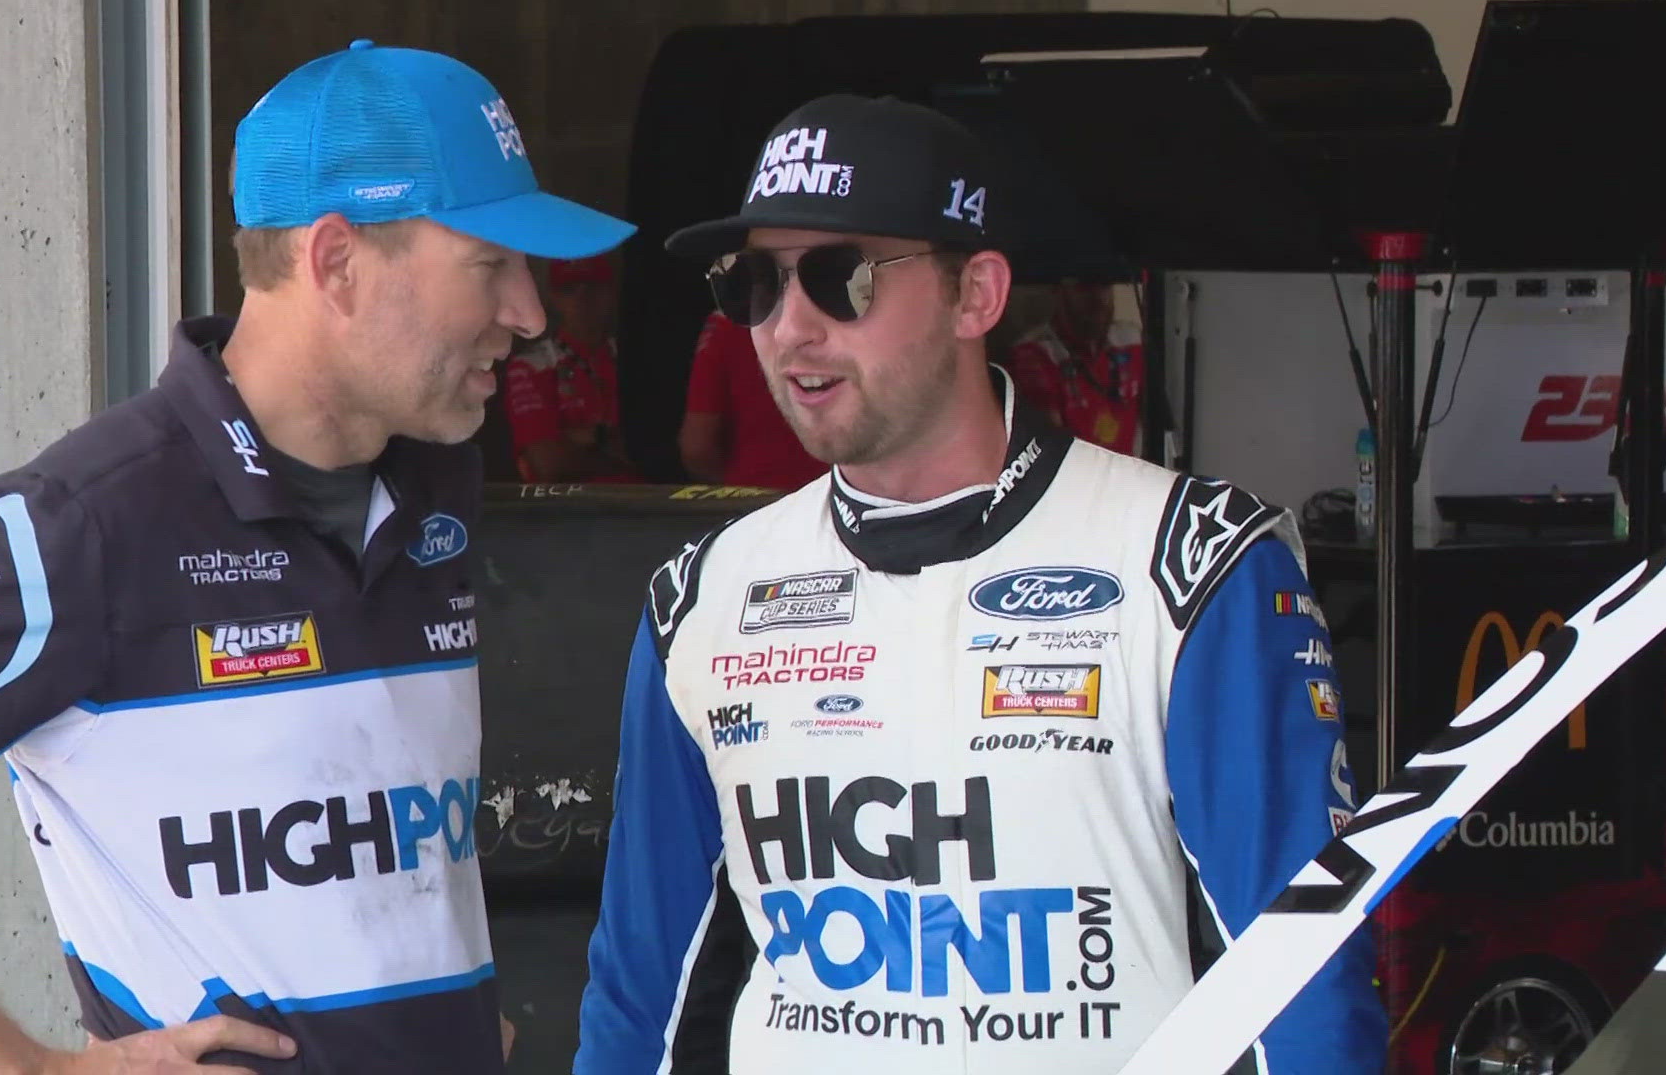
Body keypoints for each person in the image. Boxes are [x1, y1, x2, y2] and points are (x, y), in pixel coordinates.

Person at [573, 94, 1385, 1074]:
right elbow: (643, 1001)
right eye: (756, 283)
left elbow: (1301, 978)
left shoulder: (1191, 563)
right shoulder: (700, 602)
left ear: (978, 296)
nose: (790, 329)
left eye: (841, 277)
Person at [0, 38, 633, 1074]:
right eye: (489, 265)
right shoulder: (89, 520)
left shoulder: (432, 479)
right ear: (335, 261)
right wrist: (27, 1068)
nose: (530, 316)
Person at [502, 253, 640, 482]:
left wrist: (582, 439)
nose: (582, 298)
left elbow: (659, 451)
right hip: (569, 511)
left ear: (612, 292)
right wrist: (608, 440)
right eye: (569, 288)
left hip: (644, 505)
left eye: (593, 286)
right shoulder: (532, 365)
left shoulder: (637, 357)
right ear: (552, 297)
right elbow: (549, 463)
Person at [677, 309, 829, 489]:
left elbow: (697, 447)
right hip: (837, 497)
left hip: (752, 495)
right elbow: (697, 447)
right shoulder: (728, 325)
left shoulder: (729, 323)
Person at [1005, 279, 1145, 456]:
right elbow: (1050, 446)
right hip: (1075, 477)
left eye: (1104, 285)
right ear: (1058, 290)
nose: (1097, 298)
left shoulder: (1132, 341)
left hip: (1129, 474)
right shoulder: (1035, 353)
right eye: (1084, 287)